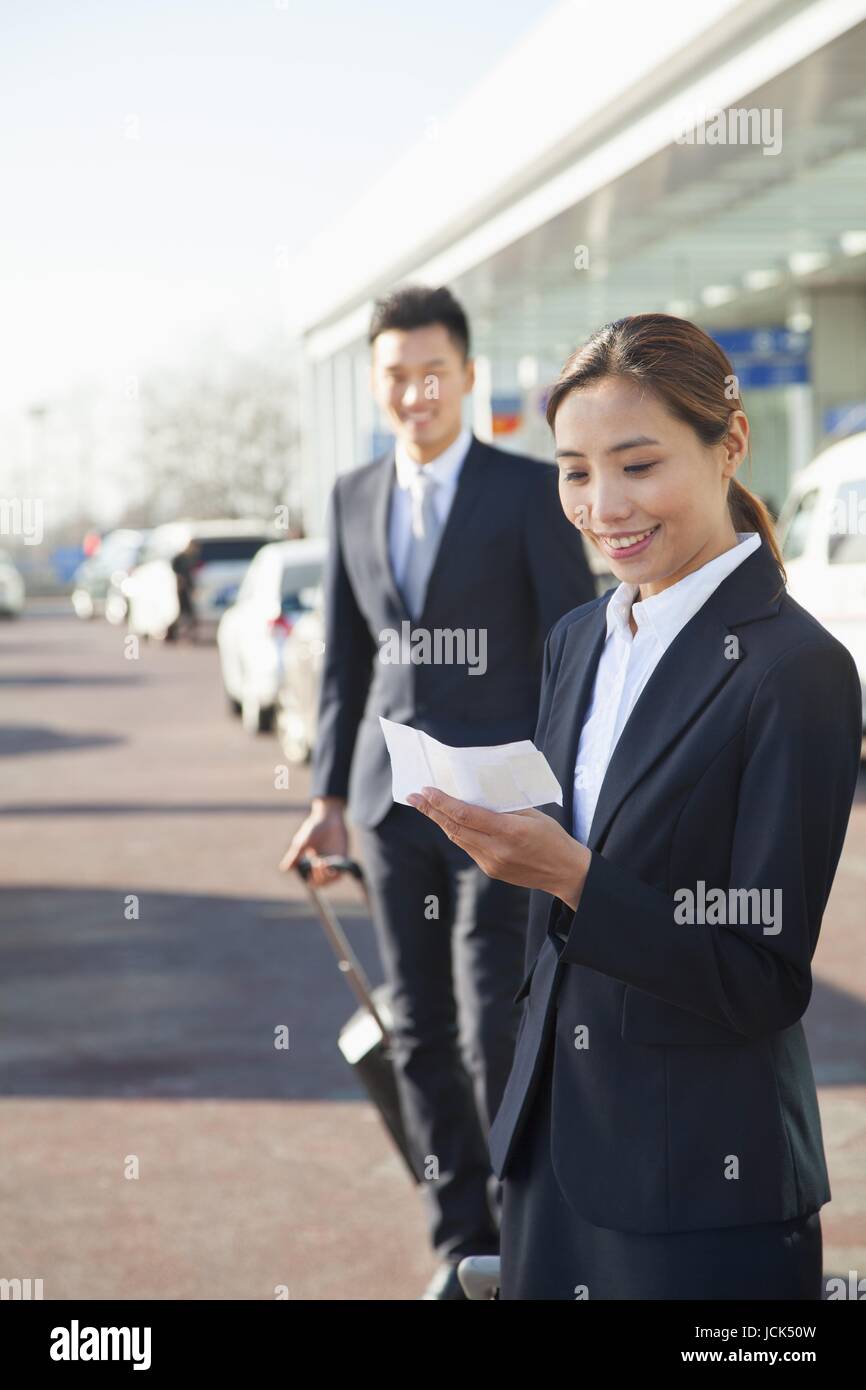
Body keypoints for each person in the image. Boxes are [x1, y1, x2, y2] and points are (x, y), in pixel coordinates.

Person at [406, 313, 862, 1300]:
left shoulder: (796, 672)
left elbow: (759, 976)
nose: (601, 504)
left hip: (698, 1183)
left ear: (728, 443)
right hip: (550, 1150)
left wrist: (565, 871)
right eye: (573, 471)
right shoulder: (578, 636)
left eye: (637, 464)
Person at [279, 284, 595, 1298]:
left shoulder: (522, 488)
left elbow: (569, 647)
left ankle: (524, 1225)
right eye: (393, 376)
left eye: (429, 371)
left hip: (499, 806)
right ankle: (458, 1236)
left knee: (489, 1019)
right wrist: (328, 794)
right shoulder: (350, 496)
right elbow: (342, 664)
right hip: (388, 806)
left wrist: (561, 787)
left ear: (463, 374)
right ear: (377, 385)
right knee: (413, 1028)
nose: (412, 392)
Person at [168, 539, 200, 643]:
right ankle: (173, 635)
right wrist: (178, 582)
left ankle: (187, 635)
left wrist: (192, 588)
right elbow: (176, 573)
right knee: (176, 612)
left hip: (185, 590)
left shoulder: (189, 558)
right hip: (177, 590)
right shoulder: (180, 558)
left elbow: (189, 577)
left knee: (188, 613)